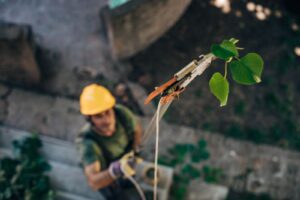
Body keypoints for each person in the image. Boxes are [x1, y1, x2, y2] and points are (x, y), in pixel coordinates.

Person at [76, 83, 142, 200]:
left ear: (112, 108)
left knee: (128, 182)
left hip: (125, 160)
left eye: (107, 112)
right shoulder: (87, 143)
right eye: (98, 116)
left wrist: (136, 149)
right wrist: (114, 172)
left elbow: (136, 129)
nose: (106, 120)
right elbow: (94, 182)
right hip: (107, 175)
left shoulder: (121, 114)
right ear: (90, 119)